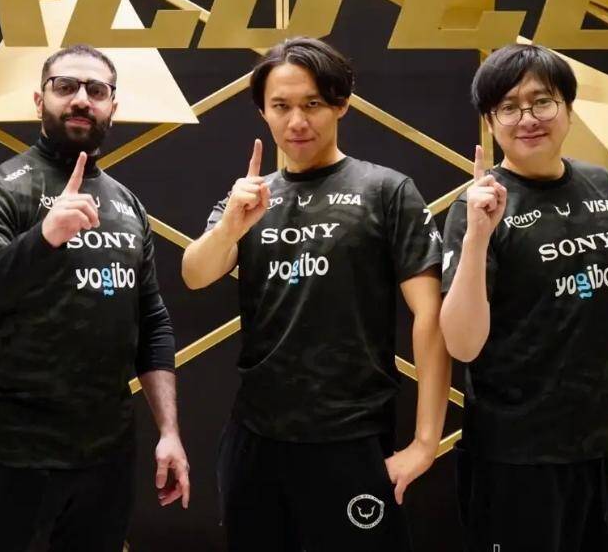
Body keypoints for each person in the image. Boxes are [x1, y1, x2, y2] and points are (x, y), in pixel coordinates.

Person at [181, 36, 450, 552]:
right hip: (255, 436)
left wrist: (424, 443)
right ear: (263, 111)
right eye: (281, 106)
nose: (297, 121)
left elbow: (429, 315)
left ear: (341, 104)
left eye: (313, 104)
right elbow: (195, 274)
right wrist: (231, 226)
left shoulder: (386, 190)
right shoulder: (251, 196)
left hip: (351, 436)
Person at [0, 43, 189, 552]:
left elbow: (152, 321)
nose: (81, 99)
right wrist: (43, 238)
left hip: (105, 455)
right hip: (12, 454)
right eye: (66, 86)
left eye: (96, 90)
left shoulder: (127, 205)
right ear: (39, 100)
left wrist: (169, 431)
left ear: (112, 106)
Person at [439, 43, 608, 552]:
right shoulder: (476, 209)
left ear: (568, 109)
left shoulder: (604, 187)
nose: (528, 119)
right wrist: (477, 238)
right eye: (508, 107)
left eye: (542, 102)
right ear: (490, 121)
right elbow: (463, 345)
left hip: (597, 446)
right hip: (512, 456)